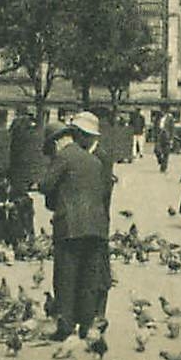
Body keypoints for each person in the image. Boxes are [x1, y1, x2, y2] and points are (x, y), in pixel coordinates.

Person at [38, 112, 113, 341]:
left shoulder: (64, 156)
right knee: (89, 277)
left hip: (70, 227)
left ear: (58, 141)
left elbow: (45, 186)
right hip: (96, 227)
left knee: (66, 276)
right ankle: (86, 326)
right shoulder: (94, 160)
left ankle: (66, 325)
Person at [154, 107, 174, 174]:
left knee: (166, 153)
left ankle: (163, 168)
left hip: (167, 136)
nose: (161, 112)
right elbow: (155, 126)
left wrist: (171, 139)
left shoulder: (170, 118)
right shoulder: (158, 118)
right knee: (156, 150)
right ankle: (160, 160)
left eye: (162, 111)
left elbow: (172, 129)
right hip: (159, 135)